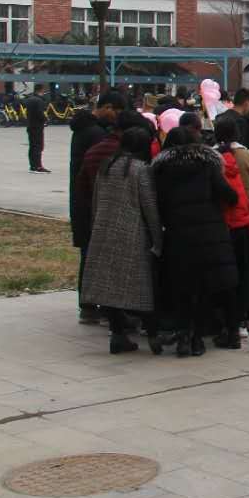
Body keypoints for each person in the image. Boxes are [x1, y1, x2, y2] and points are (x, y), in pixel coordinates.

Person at [152, 127, 240, 356]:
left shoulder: (161, 170)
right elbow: (229, 195)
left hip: (178, 235)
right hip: (210, 235)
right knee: (206, 287)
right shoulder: (207, 166)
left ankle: (184, 335)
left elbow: (157, 204)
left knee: (182, 287)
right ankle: (199, 338)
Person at [82, 126, 162, 354]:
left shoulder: (106, 166)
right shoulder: (141, 170)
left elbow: (96, 200)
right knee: (141, 289)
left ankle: (118, 335)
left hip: (104, 231)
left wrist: (96, 227)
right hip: (133, 235)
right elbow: (149, 207)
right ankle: (153, 336)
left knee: (110, 289)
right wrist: (158, 239)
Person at [69, 91, 126, 323]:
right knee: (92, 255)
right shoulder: (96, 134)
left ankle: (89, 304)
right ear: (107, 107)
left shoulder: (85, 128)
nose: (117, 117)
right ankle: (90, 305)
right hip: (91, 202)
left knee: (89, 253)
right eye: (117, 112)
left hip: (82, 198)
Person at [213, 114, 249, 345]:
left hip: (224, 224)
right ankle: (248, 316)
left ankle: (230, 321)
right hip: (248, 219)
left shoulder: (213, 159)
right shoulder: (246, 155)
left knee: (227, 274)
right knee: (247, 270)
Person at [23, 86, 49, 173]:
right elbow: (40, 113)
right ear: (41, 90)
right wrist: (45, 119)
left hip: (30, 125)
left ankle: (32, 166)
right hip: (37, 126)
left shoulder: (29, 99)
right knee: (38, 146)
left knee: (32, 146)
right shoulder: (39, 100)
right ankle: (38, 166)